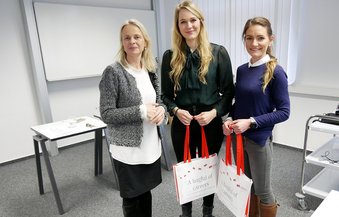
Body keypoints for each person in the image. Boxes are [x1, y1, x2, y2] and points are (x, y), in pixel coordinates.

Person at [161, 1, 234, 217]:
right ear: (178, 26)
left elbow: (229, 92)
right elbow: (164, 95)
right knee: (185, 169)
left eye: (192, 20)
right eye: (183, 21)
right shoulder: (169, 56)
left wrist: (214, 113)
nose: (188, 25)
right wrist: (174, 110)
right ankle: (186, 212)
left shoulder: (218, 53)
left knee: (208, 168)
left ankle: (207, 211)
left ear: (200, 22)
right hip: (182, 123)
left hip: (209, 122)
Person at [222, 17, 290, 217]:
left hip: (259, 141)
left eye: (260, 38)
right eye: (249, 38)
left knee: (263, 190)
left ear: (271, 39)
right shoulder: (242, 70)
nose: (254, 43)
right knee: (246, 185)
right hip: (237, 138)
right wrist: (228, 119)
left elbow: (284, 112)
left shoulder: (276, 72)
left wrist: (251, 122)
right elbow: (240, 104)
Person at [99, 19, 166, 217]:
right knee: (131, 198)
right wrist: (141, 111)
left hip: (150, 145)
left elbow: (158, 100)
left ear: (145, 41)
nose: (132, 41)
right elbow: (107, 114)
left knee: (146, 194)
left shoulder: (150, 70)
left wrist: (162, 110)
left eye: (137, 36)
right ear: (122, 43)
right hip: (127, 149)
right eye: (126, 38)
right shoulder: (113, 72)